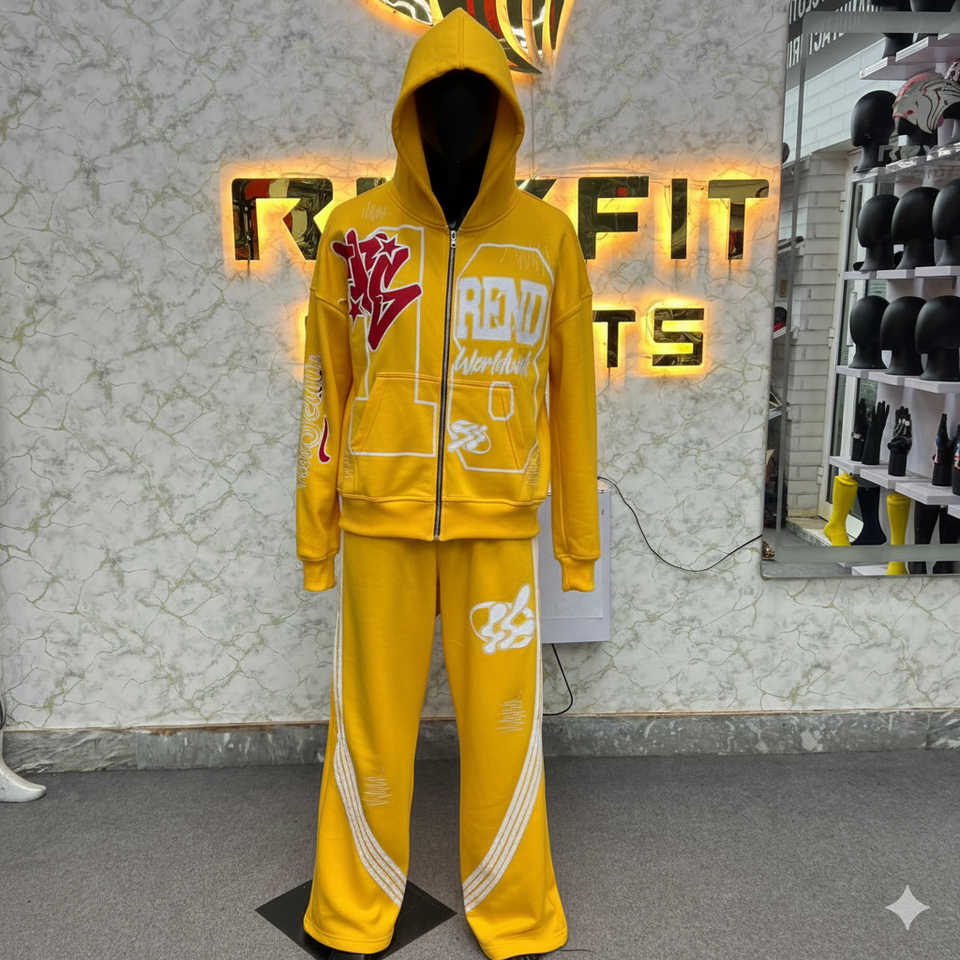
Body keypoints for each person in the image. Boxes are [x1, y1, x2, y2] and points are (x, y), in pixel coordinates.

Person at [295, 10, 600, 960]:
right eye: (438, 102)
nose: (459, 120)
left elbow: (574, 404)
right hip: (379, 518)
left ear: (507, 115)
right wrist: (317, 531)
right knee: (369, 730)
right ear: (409, 115)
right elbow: (325, 392)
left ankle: (515, 913)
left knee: (506, 730)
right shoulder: (353, 235)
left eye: (479, 102)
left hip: (498, 525)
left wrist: (578, 546)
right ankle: (351, 911)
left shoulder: (548, 240)